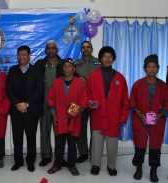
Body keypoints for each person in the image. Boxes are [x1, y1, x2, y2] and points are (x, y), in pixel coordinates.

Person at [87, 46, 129, 176]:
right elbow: (87, 95)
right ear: (100, 58)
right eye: (105, 56)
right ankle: (95, 165)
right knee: (97, 142)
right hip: (98, 114)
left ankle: (112, 166)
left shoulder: (120, 78)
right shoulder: (93, 76)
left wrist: (123, 116)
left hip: (113, 117)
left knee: (112, 144)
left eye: (110, 57)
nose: (107, 59)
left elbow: (125, 100)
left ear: (113, 59)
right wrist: (91, 103)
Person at [130, 54, 168, 182]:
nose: (151, 69)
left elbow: (167, 102)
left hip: (158, 119)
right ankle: (139, 168)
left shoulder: (164, 86)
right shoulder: (138, 84)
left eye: (154, 67)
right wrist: (140, 114)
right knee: (140, 144)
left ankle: (153, 170)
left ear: (158, 68)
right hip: (140, 118)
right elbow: (132, 101)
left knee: (155, 146)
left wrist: (161, 114)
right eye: (149, 67)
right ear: (145, 68)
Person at [46, 58, 88, 175]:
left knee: (72, 144)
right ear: (62, 68)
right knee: (59, 144)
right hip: (60, 118)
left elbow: (84, 100)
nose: (67, 69)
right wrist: (54, 114)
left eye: (70, 66)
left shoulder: (80, 82)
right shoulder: (57, 82)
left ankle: (72, 165)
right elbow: (50, 99)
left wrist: (78, 109)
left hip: (74, 119)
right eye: (65, 66)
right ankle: (57, 164)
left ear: (74, 69)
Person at [7, 45, 43, 172]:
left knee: (31, 137)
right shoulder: (12, 70)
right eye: (19, 55)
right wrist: (18, 104)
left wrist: (26, 104)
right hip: (16, 110)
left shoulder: (36, 70)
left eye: (24, 55)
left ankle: (30, 161)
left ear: (29, 56)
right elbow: (9, 90)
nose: (21, 57)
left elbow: (39, 91)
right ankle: (18, 161)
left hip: (31, 110)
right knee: (17, 137)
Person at [35, 40, 63, 167]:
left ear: (57, 50)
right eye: (48, 48)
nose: (51, 50)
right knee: (45, 131)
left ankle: (60, 157)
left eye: (53, 48)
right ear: (46, 50)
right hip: (44, 104)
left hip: (60, 105)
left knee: (60, 131)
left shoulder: (63, 64)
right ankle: (46, 156)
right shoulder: (40, 64)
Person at [75, 41, 100, 163]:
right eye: (83, 47)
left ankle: (94, 153)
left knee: (95, 128)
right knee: (81, 128)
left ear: (92, 49)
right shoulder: (76, 64)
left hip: (95, 100)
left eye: (88, 47)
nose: (85, 49)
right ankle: (83, 153)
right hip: (82, 101)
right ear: (81, 50)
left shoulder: (99, 63)